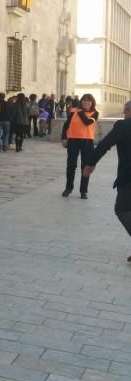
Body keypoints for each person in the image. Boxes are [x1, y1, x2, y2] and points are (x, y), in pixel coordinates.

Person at [83, 100, 131, 258]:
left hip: (128, 177)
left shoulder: (123, 126)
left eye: (125, 111)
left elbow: (105, 144)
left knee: (122, 209)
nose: (124, 115)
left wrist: (91, 162)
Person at [61, 93, 99, 199]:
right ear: (81, 101)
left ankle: (83, 190)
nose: (86, 102)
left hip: (87, 142)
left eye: (88, 101)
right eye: (84, 100)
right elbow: (66, 125)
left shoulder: (95, 113)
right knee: (71, 165)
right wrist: (63, 138)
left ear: (92, 103)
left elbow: (87, 122)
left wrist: (81, 111)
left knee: (85, 166)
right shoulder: (74, 111)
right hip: (73, 141)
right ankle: (68, 188)